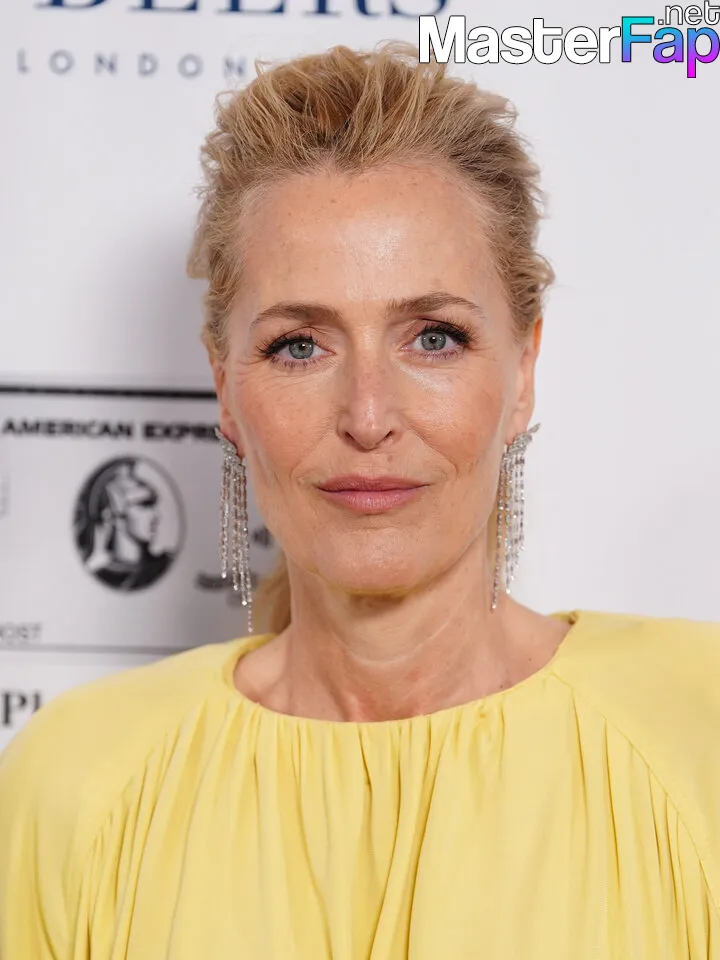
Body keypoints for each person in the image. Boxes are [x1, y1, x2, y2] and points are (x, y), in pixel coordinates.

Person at [0, 42, 718, 960]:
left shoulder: (700, 729)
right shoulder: (78, 786)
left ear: (524, 370)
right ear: (225, 387)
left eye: (434, 337)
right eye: (300, 346)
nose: (368, 417)